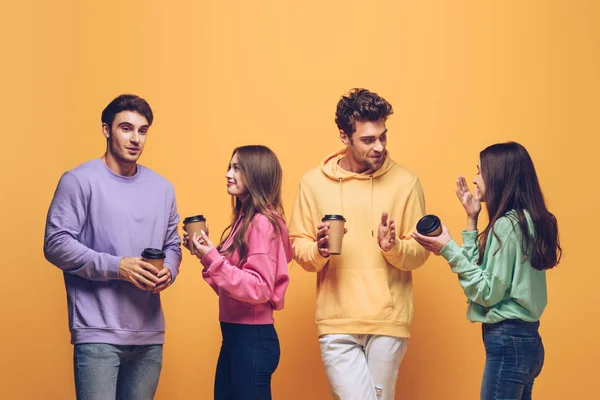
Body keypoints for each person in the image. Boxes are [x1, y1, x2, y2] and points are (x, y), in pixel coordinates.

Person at [288, 88, 430, 400]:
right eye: (368, 139)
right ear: (344, 136)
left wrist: (392, 247)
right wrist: (319, 250)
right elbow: (298, 245)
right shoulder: (312, 183)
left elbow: (420, 252)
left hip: (389, 320)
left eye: (383, 137)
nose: (379, 147)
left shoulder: (407, 183)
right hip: (336, 321)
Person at [43, 94, 182, 400]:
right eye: (126, 128)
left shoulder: (163, 188)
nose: (135, 139)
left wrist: (169, 270)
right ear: (106, 129)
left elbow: (173, 244)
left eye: (142, 131)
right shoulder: (79, 181)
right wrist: (117, 267)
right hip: (97, 332)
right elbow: (55, 243)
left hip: (149, 334)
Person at [412, 141, 562, 400]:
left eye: (480, 171)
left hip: (508, 342)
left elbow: (485, 291)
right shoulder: (530, 220)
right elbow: (482, 274)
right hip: (529, 343)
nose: (474, 178)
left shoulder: (507, 226)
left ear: (499, 175)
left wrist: (448, 248)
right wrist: (472, 218)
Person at [185, 145, 292, 400]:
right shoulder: (244, 221)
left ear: (256, 174)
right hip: (235, 336)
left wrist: (213, 258)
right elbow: (230, 289)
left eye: (237, 168)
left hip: (252, 339)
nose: (228, 174)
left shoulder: (262, 222)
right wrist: (206, 257)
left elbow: (259, 288)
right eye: (229, 166)